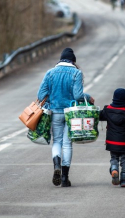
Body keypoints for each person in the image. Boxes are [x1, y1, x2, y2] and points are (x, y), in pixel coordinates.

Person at [38, 47, 95, 187]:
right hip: (72, 114)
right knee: (67, 143)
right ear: (73, 61)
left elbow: (41, 96)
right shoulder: (76, 73)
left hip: (55, 112)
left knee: (57, 141)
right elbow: (78, 96)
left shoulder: (50, 73)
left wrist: (52, 97)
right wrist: (88, 97)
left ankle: (56, 165)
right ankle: (65, 178)